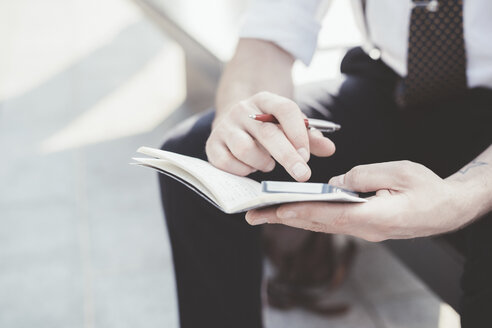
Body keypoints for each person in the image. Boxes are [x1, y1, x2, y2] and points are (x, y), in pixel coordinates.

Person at [159, 0, 492, 327]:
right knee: (198, 164)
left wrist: (462, 195)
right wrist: (244, 119)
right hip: (393, 85)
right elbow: (268, 33)